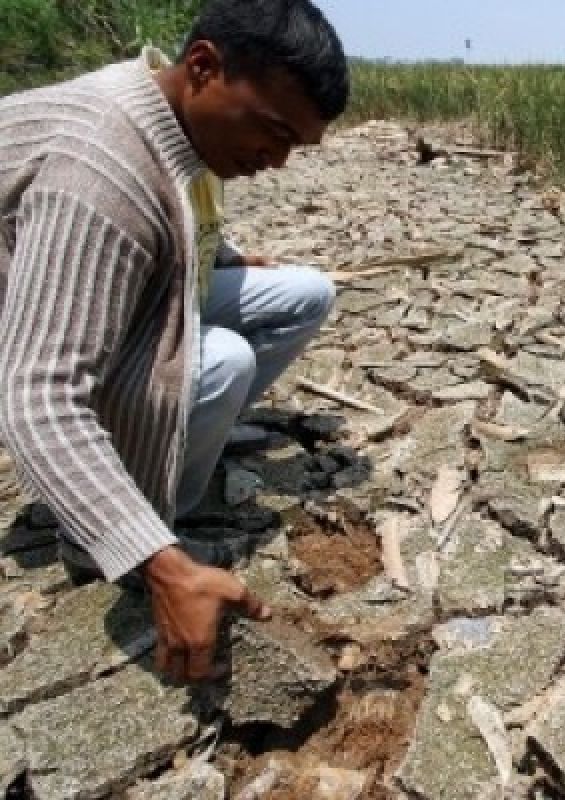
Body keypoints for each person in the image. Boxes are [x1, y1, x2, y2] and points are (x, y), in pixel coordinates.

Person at [0, 0, 349, 683]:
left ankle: (181, 436)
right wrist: (158, 563)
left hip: (93, 285)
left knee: (304, 292)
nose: (276, 161)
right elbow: (35, 396)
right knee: (222, 359)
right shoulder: (100, 170)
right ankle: (108, 527)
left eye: (294, 147)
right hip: (29, 322)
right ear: (202, 67)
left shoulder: (164, 110)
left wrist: (229, 256)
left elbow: (176, 213)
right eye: (273, 132)